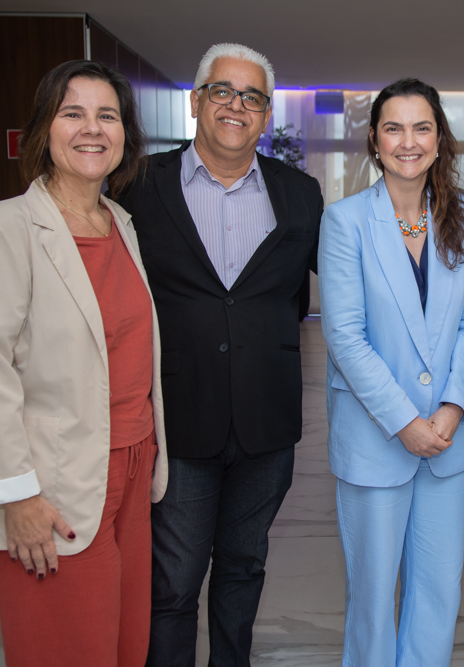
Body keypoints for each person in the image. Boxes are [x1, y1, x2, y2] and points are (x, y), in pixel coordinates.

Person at [114, 43, 324, 667]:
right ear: (197, 101)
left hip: (267, 420)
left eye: (252, 97)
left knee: (243, 567)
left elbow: (302, 296)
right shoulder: (137, 185)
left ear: (264, 115)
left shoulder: (301, 194)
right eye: (223, 92)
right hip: (178, 416)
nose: (237, 105)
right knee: (174, 581)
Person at [0, 60, 167, 667]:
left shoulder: (120, 224)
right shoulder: (7, 228)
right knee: (67, 649)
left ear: (126, 133)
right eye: (72, 113)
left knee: (125, 645)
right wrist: (17, 497)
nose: (91, 129)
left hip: (130, 469)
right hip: (52, 481)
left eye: (107, 115)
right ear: (43, 129)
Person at [318, 78, 464, 667]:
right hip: (375, 435)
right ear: (374, 139)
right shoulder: (344, 222)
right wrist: (404, 421)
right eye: (394, 128)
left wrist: (451, 407)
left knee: (439, 590)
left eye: (422, 128)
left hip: (449, 433)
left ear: (440, 140)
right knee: (371, 595)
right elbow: (344, 337)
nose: (408, 141)